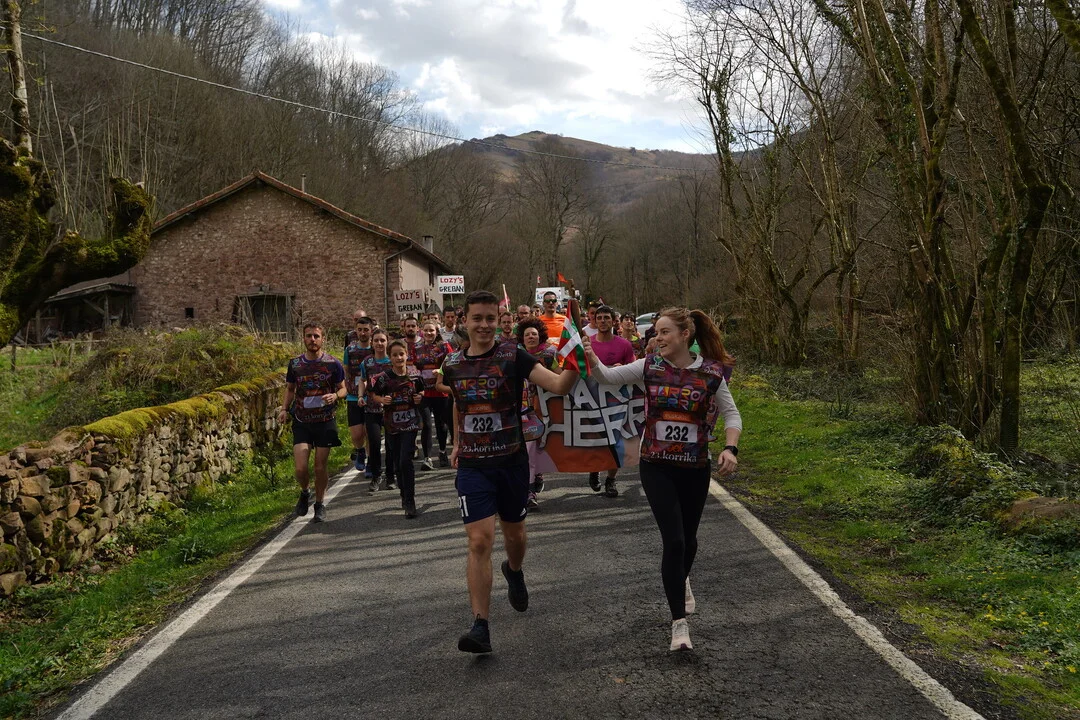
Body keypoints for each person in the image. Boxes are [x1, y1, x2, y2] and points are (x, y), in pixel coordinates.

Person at [583, 307, 742, 653]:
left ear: (685, 335)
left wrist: (730, 448)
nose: (658, 338)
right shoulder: (649, 367)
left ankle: (680, 579)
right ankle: (678, 624)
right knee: (674, 541)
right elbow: (607, 377)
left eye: (664, 332)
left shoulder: (712, 373)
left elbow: (732, 414)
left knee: (690, 541)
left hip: (695, 466)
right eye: (656, 333)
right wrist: (591, 358)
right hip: (656, 465)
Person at [443, 290, 580, 654]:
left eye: (490, 318)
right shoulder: (452, 363)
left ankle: (514, 570)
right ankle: (480, 626)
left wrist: (575, 359)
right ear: (465, 321)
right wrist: (457, 442)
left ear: (499, 321)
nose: (484, 325)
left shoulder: (513, 355)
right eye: (477, 318)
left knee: (514, 536)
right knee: (479, 541)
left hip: (511, 462)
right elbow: (460, 404)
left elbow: (558, 385)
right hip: (473, 466)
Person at [278, 323, 346, 523]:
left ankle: (320, 503)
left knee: (319, 467)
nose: (312, 340)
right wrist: (284, 409)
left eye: (316, 336)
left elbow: (344, 388)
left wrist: (336, 395)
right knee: (301, 468)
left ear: (323, 339)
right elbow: (290, 389)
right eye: (309, 336)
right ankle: (305, 491)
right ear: (304, 338)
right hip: (302, 421)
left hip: (325, 421)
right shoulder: (295, 364)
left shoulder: (333, 364)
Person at [585, 305, 637, 499]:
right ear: (594, 320)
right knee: (596, 438)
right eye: (599, 318)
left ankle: (611, 479)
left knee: (616, 440)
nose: (603, 321)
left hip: (617, 400)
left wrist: (621, 368)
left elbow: (633, 369)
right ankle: (595, 468)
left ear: (613, 321)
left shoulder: (624, 344)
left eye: (606, 317)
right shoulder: (588, 344)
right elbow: (578, 369)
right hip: (591, 398)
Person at [368, 339, 425, 518]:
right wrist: (382, 400)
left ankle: (410, 500)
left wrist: (419, 397)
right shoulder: (383, 378)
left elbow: (421, 391)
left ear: (407, 355)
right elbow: (373, 394)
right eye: (395, 355)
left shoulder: (415, 376)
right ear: (390, 358)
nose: (399, 358)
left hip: (410, 423)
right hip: (392, 425)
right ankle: (403, 494)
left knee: (405, 460)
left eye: (401, 354)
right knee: (397, 462)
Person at [515, 317, 559, 509]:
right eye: (527, 334)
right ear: (522, 338)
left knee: (541, 446)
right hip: (522, 411)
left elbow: (560, 376)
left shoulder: (549, 355)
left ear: (540, 336)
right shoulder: (514, 356)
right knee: (528, 450)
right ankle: (528, 490)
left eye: (534, 334)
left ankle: (536, 477)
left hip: (546, 409)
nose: (531, 337)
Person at [414, 320, 454, 469]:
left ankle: (442, 451)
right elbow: (413, 368)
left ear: (437, 332)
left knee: (441, 424)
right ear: (422, 331)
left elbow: (452, 363)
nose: (429, 333)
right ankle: (427, 458)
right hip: (424, 392)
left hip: (440, 391)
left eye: (431, 330)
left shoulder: (444, 346)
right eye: (426, 330)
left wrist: (441, 371)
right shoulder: (417, 348)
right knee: (426, 424)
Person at [360, 329, 394, 494]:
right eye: (376, 341)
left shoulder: (393, 360)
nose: (379, 343)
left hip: (391, 409)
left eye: (382, 340)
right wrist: (360, 396)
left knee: (390, 444)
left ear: (387, 342)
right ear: (372, 343)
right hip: (372, 408)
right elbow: (362, 380)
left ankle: (391, 476)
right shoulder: (367, 362)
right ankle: (376, 476)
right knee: (373, 443)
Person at [344, 316, 375, 473]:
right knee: (357, 434)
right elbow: (346, 370)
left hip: (372, 396)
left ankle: (370, 463)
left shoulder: (375, 349)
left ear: (371, 331)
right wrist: (346, 387)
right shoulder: (350, 350)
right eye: (360, 330)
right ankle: (360, 450)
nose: (363, 333)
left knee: (370, 432)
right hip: (353, 395)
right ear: (355, 331)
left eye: (366, 330)